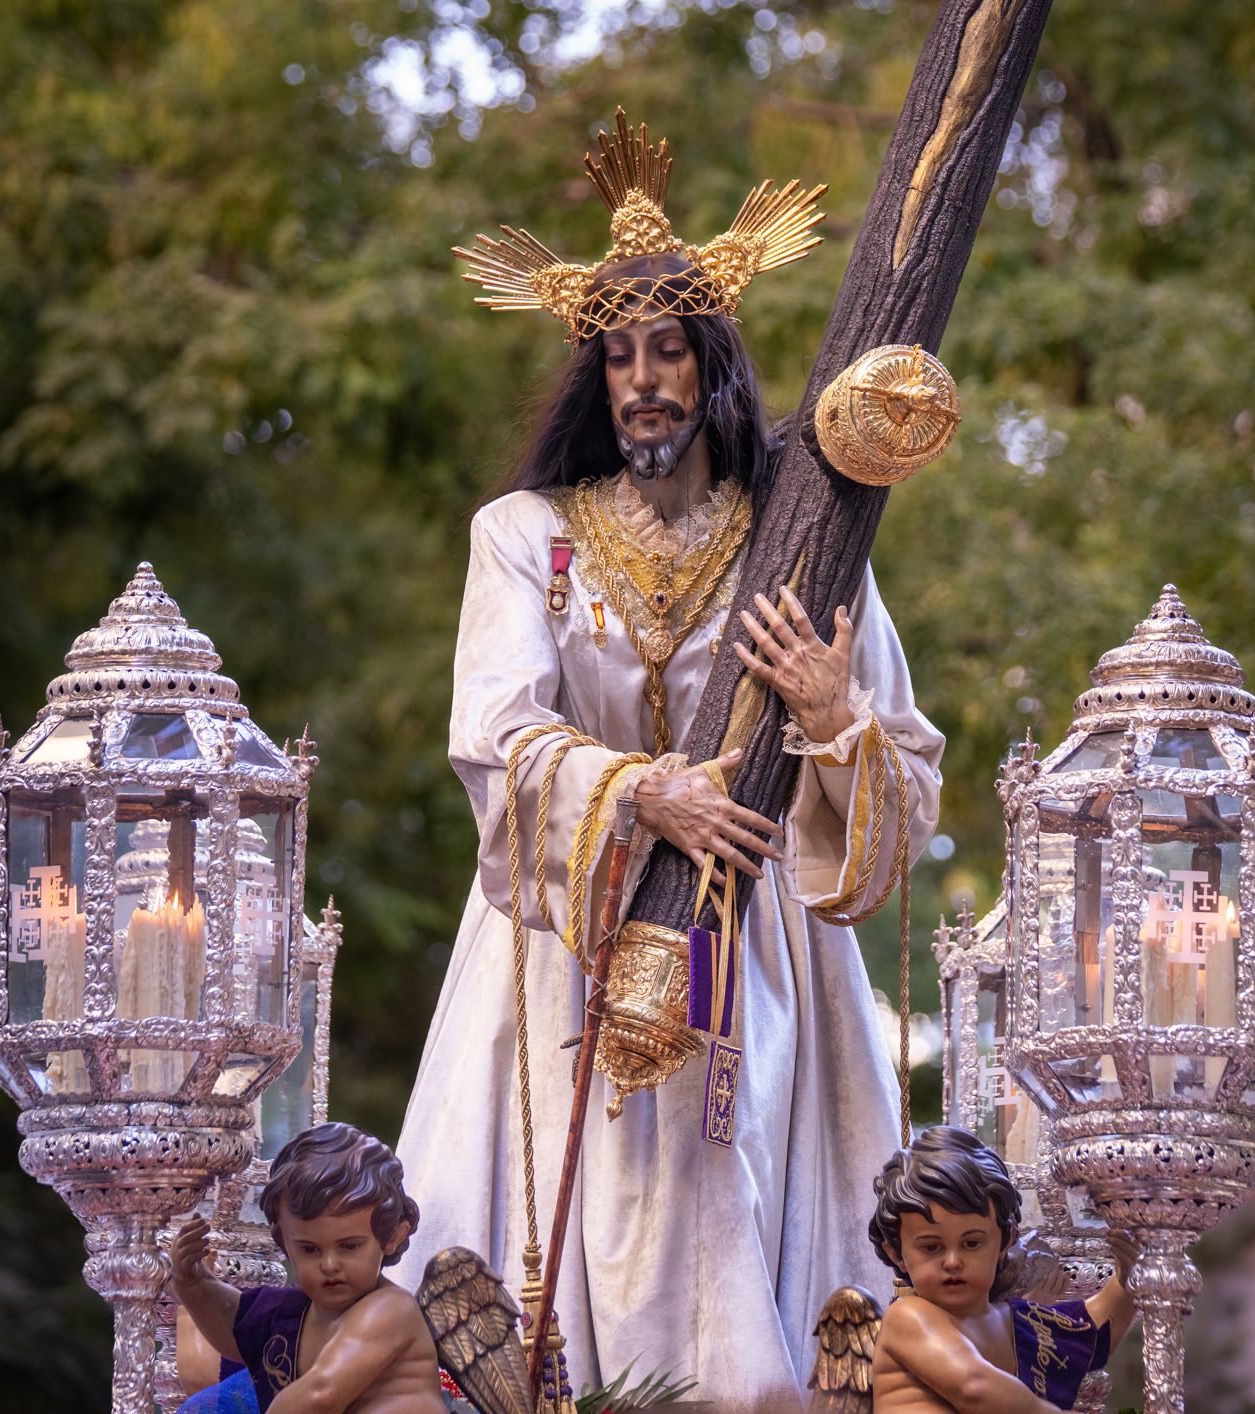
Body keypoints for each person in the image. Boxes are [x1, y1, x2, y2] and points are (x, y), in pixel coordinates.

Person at [395, 110, 945, 1409]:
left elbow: (906, 771)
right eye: (619, 353)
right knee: (554, 1211)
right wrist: (643, 788)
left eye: (670, 350)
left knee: (731, 1186)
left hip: (753, 935)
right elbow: (493, 727)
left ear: (712, 367)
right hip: (565, 933)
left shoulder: (799, 537)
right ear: (597, 376)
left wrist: (830, 715)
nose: (644, 378)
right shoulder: (523, 533)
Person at [172, 1123, 446, 1414]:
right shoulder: (297, 1313)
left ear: (392, 1236)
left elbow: (321, 1395)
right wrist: (194, 1283)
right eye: (310, 1249)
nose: (329, 1265)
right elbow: (236, 1327)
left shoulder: (390, 1310)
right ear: (284, 1241)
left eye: (349, 1246)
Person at [868, 1127, 1137, 1413]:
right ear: (896, 1253)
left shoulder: (1013, 1320)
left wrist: (1126, 1283)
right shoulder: (908, 1317)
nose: (952, 1262)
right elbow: (975, 1388)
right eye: (932, 1247)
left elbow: (1089, 1333)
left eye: (971, 1243)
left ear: (1005, 1241)